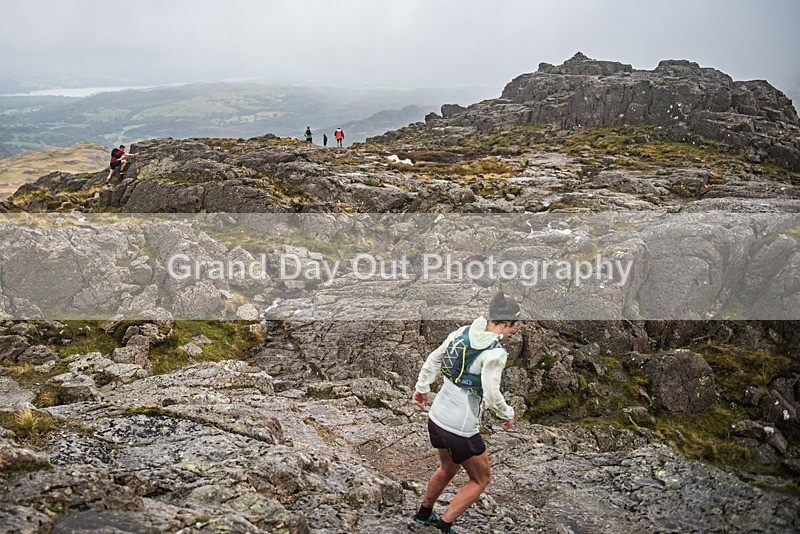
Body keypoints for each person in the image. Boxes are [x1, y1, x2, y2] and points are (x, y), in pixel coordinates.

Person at [412, 292, 520, 534]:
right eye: (513, 327)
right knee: (481, 479)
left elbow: (435, 358)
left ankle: (424, 514)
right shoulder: (495, 353)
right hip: (460, 427)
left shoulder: (463, 332)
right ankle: (444, 526)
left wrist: (422, 388)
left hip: (437, 417)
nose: (512, 332)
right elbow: (492, 395)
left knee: (448, 467)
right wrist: (507, 414)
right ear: (505, 325)